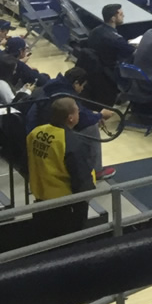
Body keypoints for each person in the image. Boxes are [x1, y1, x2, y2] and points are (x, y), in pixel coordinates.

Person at [26, 96, 100, 234]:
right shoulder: (71, 142)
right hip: (65, 204)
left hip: (41, 199)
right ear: (70, 118)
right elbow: (81, 177)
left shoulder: (35, 132)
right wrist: (85, 200)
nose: (79, 114)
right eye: (77, 111)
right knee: (69, 243)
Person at [86, 3, 135, 68]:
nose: (123, 16)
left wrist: (126, 43)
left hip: (98, 66)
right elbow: (132, 52)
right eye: (120, 14)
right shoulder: (116, 39)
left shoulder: (95, 31)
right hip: (113, 70)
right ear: (113, 19)